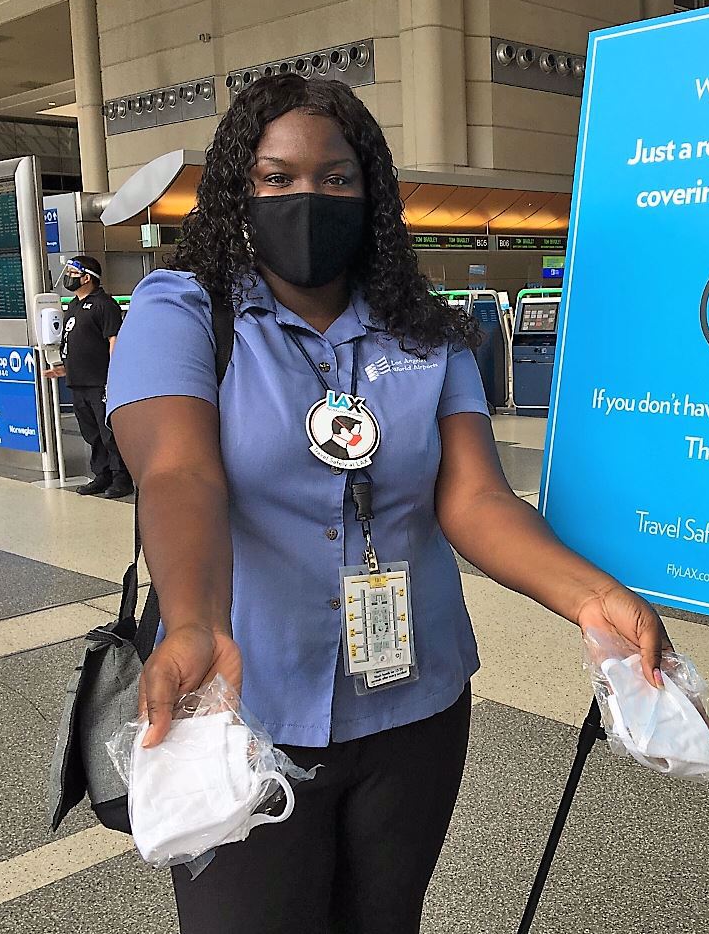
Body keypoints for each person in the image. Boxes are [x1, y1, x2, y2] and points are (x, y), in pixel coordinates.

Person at [106, 74, 670, 933]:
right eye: (277, 177)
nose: (309, 196)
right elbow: (180, 473)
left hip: (415, 705)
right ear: (237, 191)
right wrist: (191, 620)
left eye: (337, 177)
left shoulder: (424, 330)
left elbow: (476, 497)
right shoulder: (185, 310)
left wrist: (590, 596)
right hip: (243, 698)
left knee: (386, 919)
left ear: (370, 192)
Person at [44, 256, 131, 498]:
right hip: (78, 381)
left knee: (108, 432)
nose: (68, 276)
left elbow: (114, 342)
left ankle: (121, 477)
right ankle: (101, 474)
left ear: (87, 277)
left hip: (99, 381)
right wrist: (65, 367)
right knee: (91, 433)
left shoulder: (105, 305)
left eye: (73, 271)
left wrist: (115, 376)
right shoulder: (72, 306)